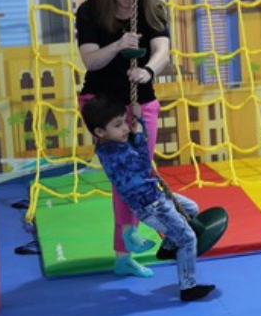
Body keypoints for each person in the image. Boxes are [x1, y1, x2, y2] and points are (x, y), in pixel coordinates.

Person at [76, 0, 172, 278]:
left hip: (139, 101)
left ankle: (123, 252)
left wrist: (147, 70)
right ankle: (128, 239)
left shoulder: (152, 10)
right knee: (123, 174)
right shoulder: (90, 11)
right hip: (102, 104)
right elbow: (90, 61)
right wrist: (118, 45)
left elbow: (162, 51)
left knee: (140, 172)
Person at [81, 96, 215, 302]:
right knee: (188, 238)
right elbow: (144, 164)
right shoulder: (116, 153)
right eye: (118, 125)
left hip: (154, 195)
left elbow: (135, 153)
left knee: (191, 209)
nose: (125, 128)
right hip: (150, 206)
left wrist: (138, 120)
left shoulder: (108, 144)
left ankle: (168, 247)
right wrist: (140, 132)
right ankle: (188, 287)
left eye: (124, 122)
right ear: (99, 132)